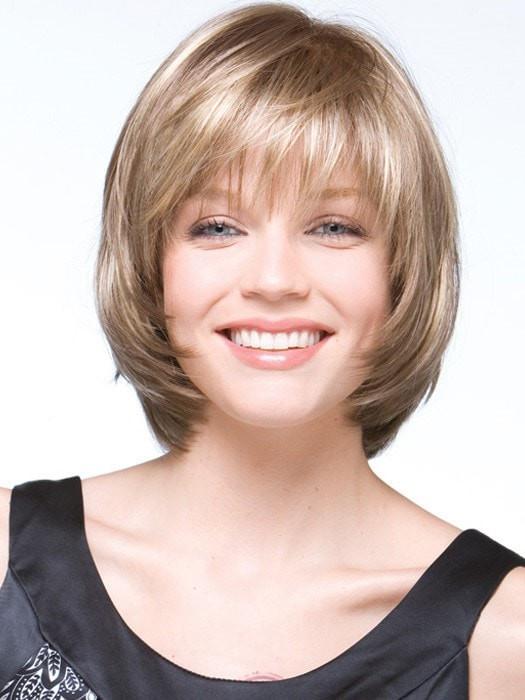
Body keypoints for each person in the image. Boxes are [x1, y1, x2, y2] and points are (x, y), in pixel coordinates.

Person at [0, 2, 523, 698]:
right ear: (151, 265)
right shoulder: (8, 564)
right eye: (217, 226)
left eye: (334, 226)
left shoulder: (503, 638)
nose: (274, 281)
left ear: (401, 270)